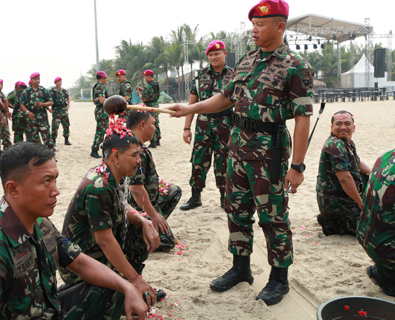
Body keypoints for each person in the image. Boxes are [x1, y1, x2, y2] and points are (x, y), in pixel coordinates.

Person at [166, 0, 314, 306]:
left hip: (268, 152)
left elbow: (302, 119)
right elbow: (224, 98)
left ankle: (279, 278)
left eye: (261, 25)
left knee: (273, 216)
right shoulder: (247, 61)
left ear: (280, 26)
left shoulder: (296, 66)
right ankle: (240, 267)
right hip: (235, 147)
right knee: (236, 210)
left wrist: (297, 166)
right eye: (253, 25)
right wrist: (190, 109)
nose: (254, 30)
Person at [0, 141, 148, 320]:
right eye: (46, 181)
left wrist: (127, 286)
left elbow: (80, 263)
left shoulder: (41, 223)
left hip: (51, 310)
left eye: (55, 180)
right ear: (13, 189)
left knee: (111, 285)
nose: (56, 190)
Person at [60, 116, 165, 316]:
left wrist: (143, 220)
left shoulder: (109, 174)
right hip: (82, 262)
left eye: (139, 155)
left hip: (96, 253)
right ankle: (124, 287)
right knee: (116, 295)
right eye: (134, 155)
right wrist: (134, 281)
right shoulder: (97, 186)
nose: (139, 160)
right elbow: (105, 240)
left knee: (138, 227)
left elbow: (122, 204)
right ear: (116, 157)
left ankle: (131, 283)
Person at [180, 40, 234, 211]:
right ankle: (195, 197)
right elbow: (191, 105)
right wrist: (186, 128)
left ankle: (224, 198)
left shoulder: (234, 75)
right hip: (203, 126)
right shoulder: (199, 76)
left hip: (226, 125)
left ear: (225, 54)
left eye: (216, 54)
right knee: (198, 161)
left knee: (224, 162)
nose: (213, 57)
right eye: (210, 55)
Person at [356, 117, 395, 298]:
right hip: (388, 250)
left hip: (368, 240)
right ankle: (388, 274)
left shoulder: (384, 157)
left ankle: (387, 267)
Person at [127, 110, 182, 251]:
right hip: (135, 204)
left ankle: (154, 224)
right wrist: (153, 215)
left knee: (174, 191)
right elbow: (136, 190)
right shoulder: (134, 150)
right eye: (153, 124)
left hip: (148, 199)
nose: (155, 128)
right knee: (168, 242)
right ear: (142, 125)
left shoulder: (135, 143)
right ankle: (137, 236)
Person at [315, 110, 371, 236]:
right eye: (338, 124)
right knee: (372, 229)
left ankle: (332, 219)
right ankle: (332, 223)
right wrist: (361, 204)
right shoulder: (335, 146)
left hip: (344, 197)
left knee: (369, 178)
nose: (343, 127)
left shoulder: (347, 143)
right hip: (338, 202)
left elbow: (357, 163)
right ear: (332, 127)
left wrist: (374, 175)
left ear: (354, 127)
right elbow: (345, 179)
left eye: (347, 123)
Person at [20, 72, 55, 151]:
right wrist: (28, 113)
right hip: (31, 117)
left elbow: (51, 102)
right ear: (31, 80)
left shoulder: (44, 90)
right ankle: (37, 157)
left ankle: (51, 155)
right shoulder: (26, 92)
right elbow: (22, 104)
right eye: (35, 79)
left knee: (47, 137)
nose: (37, 80)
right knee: (33, 139)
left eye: (38, 79)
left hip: (42, 117)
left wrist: (42, 104)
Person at [137, 70, 161, 148]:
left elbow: (144, 99)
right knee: (156, 123)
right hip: (156, 105)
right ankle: (157, 140)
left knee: (150, 123)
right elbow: (152, 92)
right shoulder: (156, 84)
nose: (145, 79)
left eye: (145, 77)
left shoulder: (148, 87)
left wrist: (139, 94)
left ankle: (153, 142)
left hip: (150, 106)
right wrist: (143, 90)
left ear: (148, 76)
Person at [90, 71, 110, 158]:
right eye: (105, 78)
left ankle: (102, 148)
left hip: (100, 111)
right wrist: (112, 101)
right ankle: (94, 150)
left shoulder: (96, 86)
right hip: (102, 111)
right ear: (102, 78)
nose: (106, 80)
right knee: (100, 132)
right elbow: (102, 100)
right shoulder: (100, 86)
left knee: (104, 131)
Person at [50, 77, 72, 146]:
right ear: (55, 83)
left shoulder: (64, 90)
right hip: (56, 110)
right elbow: (48, 99)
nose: (59, 83)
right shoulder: (52, 91)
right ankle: (53, 140)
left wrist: (68, 106)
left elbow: (68, 98)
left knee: (66, 125)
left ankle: (66, 140)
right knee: (55, 126)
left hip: (64, 110)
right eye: (58, 82)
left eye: (60, 82)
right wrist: (49, 108)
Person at [0, 79, 12, 153]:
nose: (1, 86)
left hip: (2, 115)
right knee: (4, 133)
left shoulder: (0, 93)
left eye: (2, 84)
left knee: (4, 133)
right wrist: (6, 107)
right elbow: (1, 105)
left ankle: (6, 149)